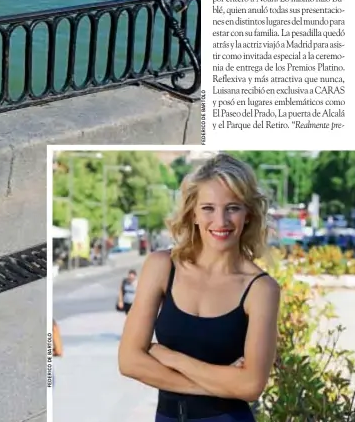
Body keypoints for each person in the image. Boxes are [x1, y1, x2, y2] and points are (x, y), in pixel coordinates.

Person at [119, 153, 280, 422]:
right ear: (193, 213)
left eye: (233, 207)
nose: (221, 221)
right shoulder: (161, 266)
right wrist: (223, 384)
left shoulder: (261, 289)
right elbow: (129, 361)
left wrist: (170, 357)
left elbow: (251, 386)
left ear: (248, 214)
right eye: (208, 208)